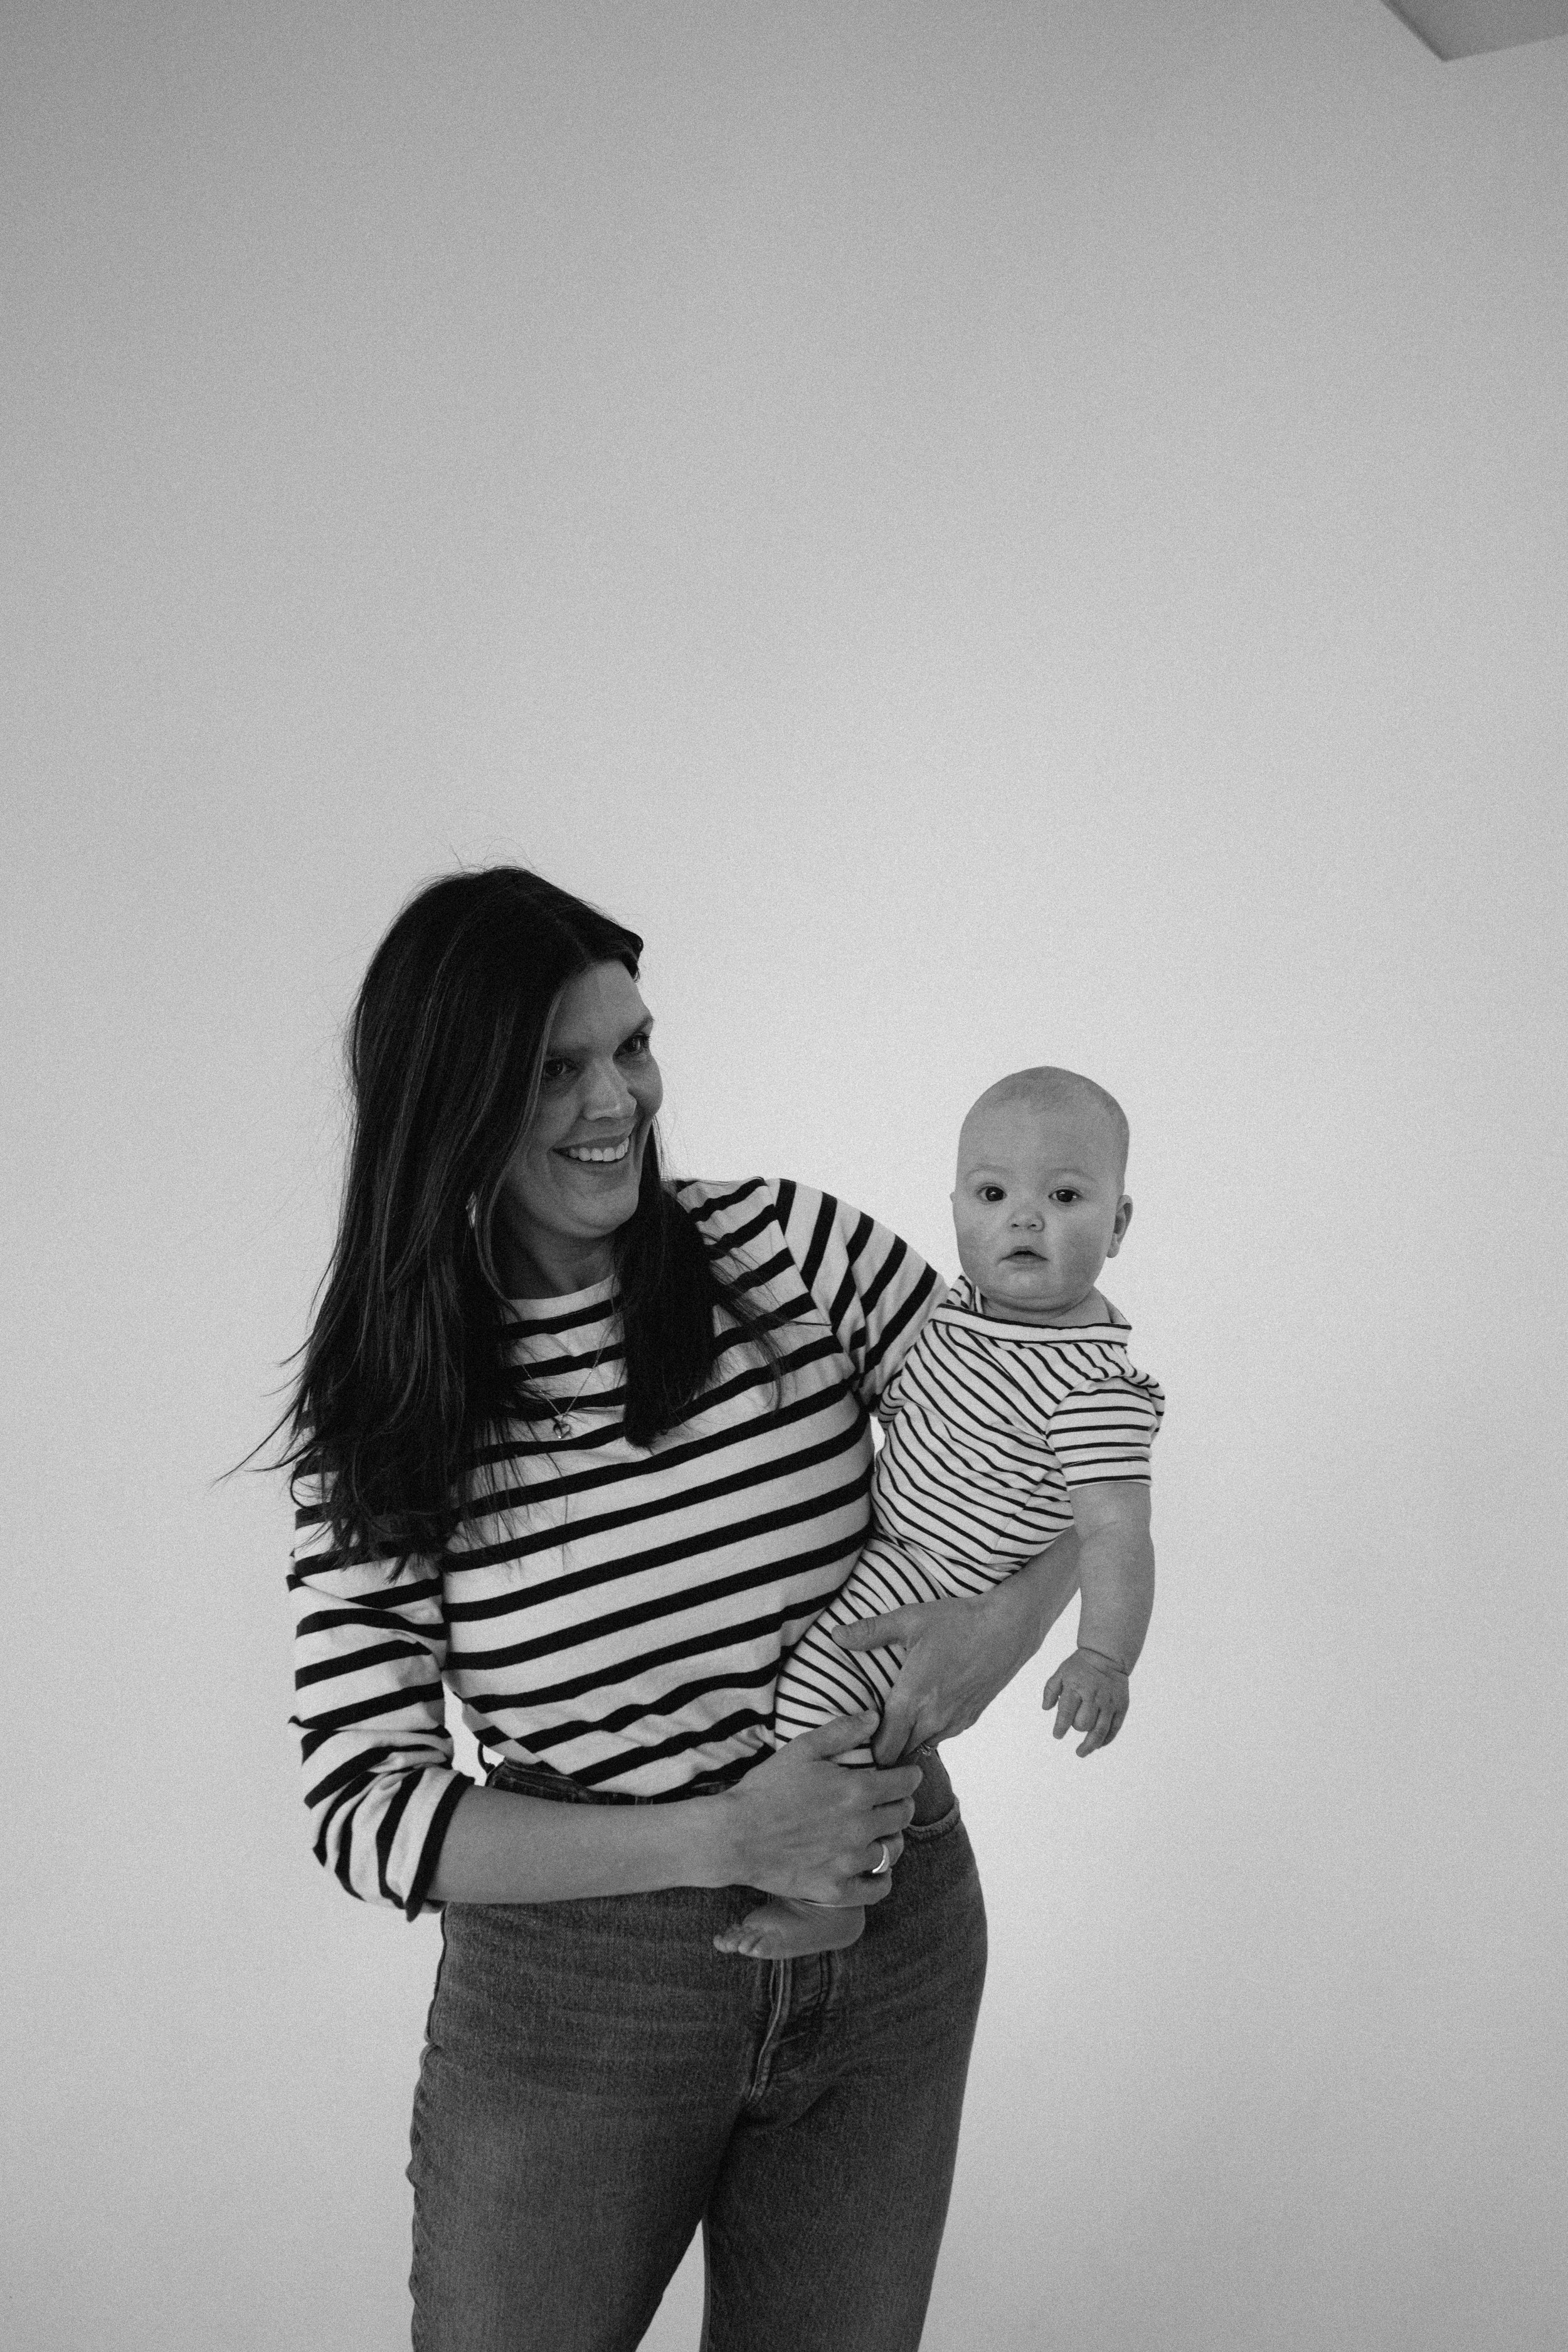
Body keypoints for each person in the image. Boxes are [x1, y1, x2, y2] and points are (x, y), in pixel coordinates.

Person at [285, 866, 1084, 2352]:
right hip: (581, 1996)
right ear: (448, 1101)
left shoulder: (791, 1253)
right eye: (557, 1069)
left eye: (633, 1047)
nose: (619, 1101)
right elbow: (366, 1809)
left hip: (886, 1932)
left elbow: (1060, 1448)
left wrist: (1007, 1624)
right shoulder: (392, 1410)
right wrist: (724, 1837)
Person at [716, 1066, 1163, 1962]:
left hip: (938, 1587)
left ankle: (834, 1895)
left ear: (1117, 1224)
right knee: (812, 1709)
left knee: (820, 1708)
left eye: (1065, 1195)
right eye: (993, 1193)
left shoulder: (1094, 1384)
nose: (1024, 1218)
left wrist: (1103, 1655)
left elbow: (1114, 1529)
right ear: (954, 1206)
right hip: (886, 1554)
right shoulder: (954, 1319)